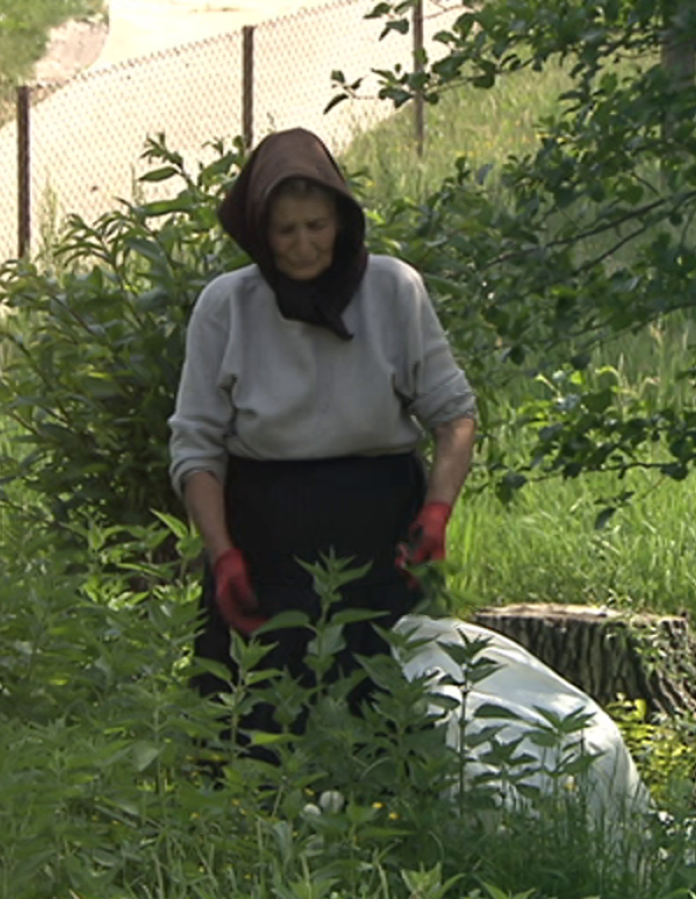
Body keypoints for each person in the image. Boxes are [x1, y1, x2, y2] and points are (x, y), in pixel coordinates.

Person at [168, 127, 478, 739]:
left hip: (378, 531)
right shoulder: (226, 306)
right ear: (260, 232)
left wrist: (437, 514)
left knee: (384, 722)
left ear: (342, 219)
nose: (305, 245)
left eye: (317, 225)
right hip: (266, 535)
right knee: (254, 728)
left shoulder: (394, 290)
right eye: (286, 231)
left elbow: (454, 417)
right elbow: (196, 444)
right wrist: (222, 554)